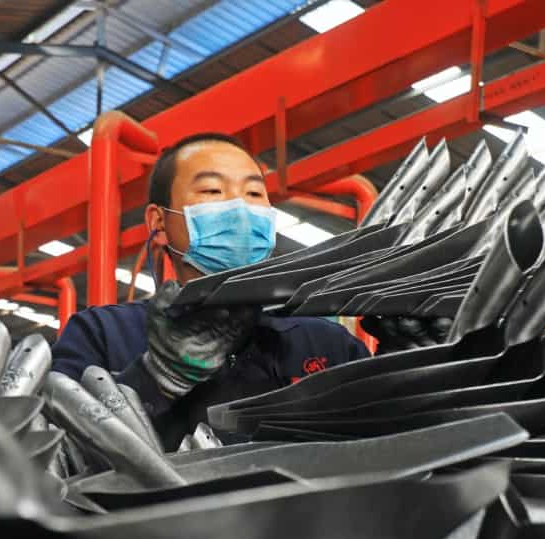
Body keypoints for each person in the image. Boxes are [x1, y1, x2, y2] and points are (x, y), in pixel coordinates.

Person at [51, 132, 421, 448]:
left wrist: (414, 362)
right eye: (213, 190)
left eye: (255, 193)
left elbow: (396, 442)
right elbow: (60, 458)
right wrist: (157, 378)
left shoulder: (325, 341)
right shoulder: (102, 334)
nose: (240, 208)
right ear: (159, 223)